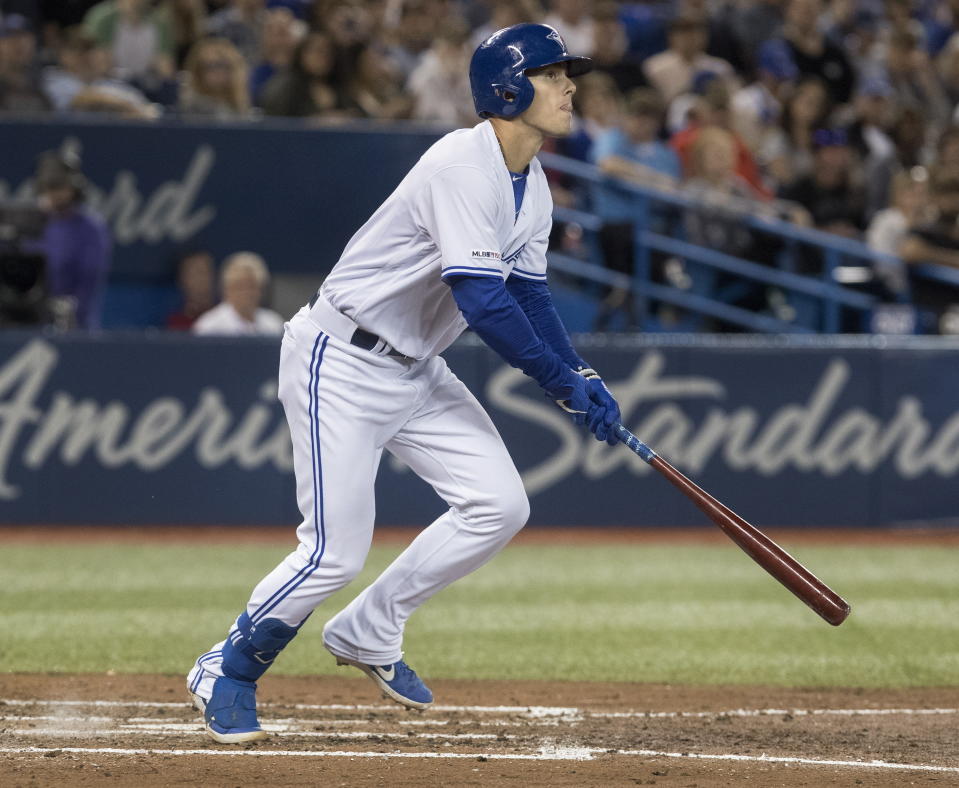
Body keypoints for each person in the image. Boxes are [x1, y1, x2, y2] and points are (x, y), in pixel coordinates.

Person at [186, 22, 620, 744]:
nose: (568, 85)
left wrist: (579, 372)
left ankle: (369, 629)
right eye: (551, 74)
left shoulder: (533, 183)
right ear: (506, 89)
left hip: (416, 366)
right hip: (343, 358)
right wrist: (556, 382)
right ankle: (225, 669)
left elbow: (531, 299)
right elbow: (482, 301)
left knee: (499, 505)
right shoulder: (461, 164)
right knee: (332, 552)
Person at [32, 150, 112, 329]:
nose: (55, 193)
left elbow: (89, 281)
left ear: (74, 188)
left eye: (60, 186)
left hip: (75, 326)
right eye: (49, 187)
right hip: (30, 323)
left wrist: (68, 316)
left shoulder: (91, 227)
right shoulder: (34, 222)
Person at [192, 251, 283, 336]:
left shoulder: (274, 324)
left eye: (252, 286)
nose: (246, 293)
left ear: (261, 289)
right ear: (226, 290)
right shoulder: (209, 326)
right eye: (240, 286)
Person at [178, 36, 251, 119]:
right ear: (198, 71)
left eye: (221, 65)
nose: (216, 72)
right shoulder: (193, 106)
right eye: (209, 66)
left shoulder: (240, 104)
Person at [166, 248, 215, 330]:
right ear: (183, 279)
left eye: (206, 271)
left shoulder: (227, 317)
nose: (202, 278)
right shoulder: (175, 323)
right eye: (196, 273)